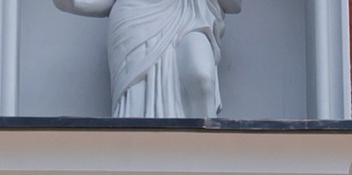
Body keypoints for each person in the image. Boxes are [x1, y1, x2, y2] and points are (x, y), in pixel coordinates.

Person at [54, 0, 237, 124]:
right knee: (138, 98)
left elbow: (234, 4)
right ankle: (137, 154)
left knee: (201, 77)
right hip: (136, 18)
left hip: (190, 15)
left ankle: (205, 155)